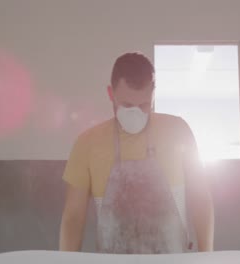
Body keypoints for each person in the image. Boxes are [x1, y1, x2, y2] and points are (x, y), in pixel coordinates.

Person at [59, 52, 214, 254]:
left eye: (144, 105)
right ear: (110, 93)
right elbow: (73, 217)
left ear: (153, 94)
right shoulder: (87, 143)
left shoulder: (178, 131)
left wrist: (207, 256)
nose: (136, 113)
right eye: (127, 105)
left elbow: (200, 197)